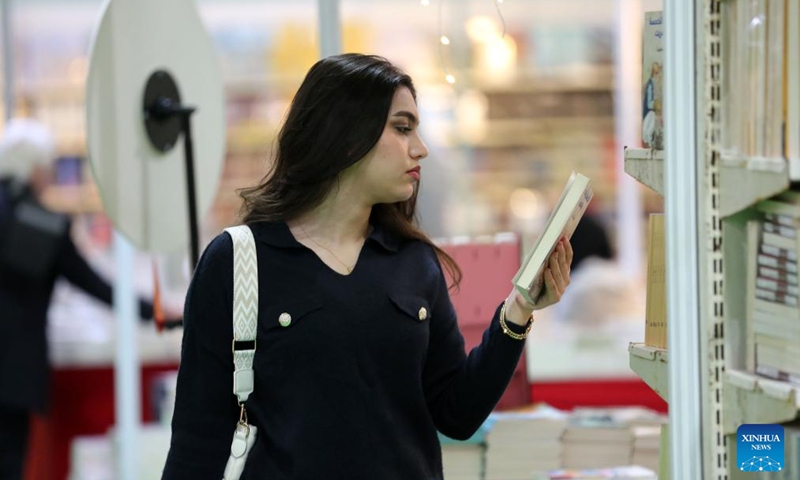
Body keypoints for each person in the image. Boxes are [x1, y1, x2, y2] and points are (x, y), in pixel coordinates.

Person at [161, 53, 574, 480]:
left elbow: (456, 413)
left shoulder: (414, 262)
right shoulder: (236, 262)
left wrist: (519, 309)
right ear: (345, 134)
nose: (421, 148)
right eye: (402, 127)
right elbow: (197, 442)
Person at [0, 118, 177, 480]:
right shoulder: (39, 224)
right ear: (35, 168)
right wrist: (160, 313)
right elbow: (95, 285)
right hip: (12, 373)